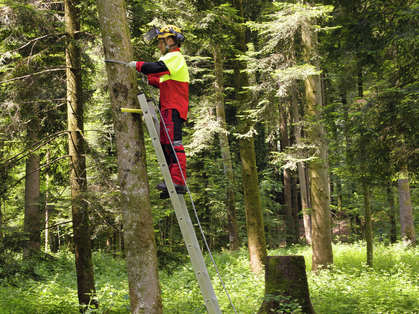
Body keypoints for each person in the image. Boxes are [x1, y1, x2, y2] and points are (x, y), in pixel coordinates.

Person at [127, 25, 189, 199]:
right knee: (165, 145)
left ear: (169, 41)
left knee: (173, 144)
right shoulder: (171, 63)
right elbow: (160, 80)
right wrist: (147, 77)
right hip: (168, 109)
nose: (158, 46)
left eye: (160, 42)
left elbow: (156, 68)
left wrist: (139, 66)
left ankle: (178, 181)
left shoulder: (175, 57)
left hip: (173, 108)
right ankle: (172, 183)